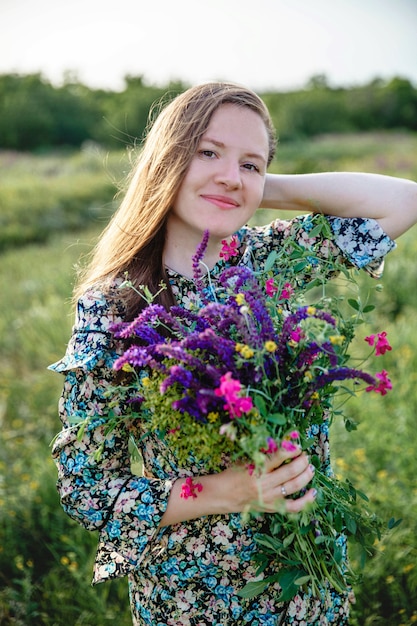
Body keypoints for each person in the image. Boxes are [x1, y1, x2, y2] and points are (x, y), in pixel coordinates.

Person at [49, 82, 417, 626]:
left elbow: (404, 202)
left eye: (251, 161)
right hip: (199, 597)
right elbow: (88, 487)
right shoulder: (115, 307)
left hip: (310, 587)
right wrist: (230, 491)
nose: (230, 172)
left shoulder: (265, 262)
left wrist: (246, 186)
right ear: (167, 160)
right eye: (208, 152)